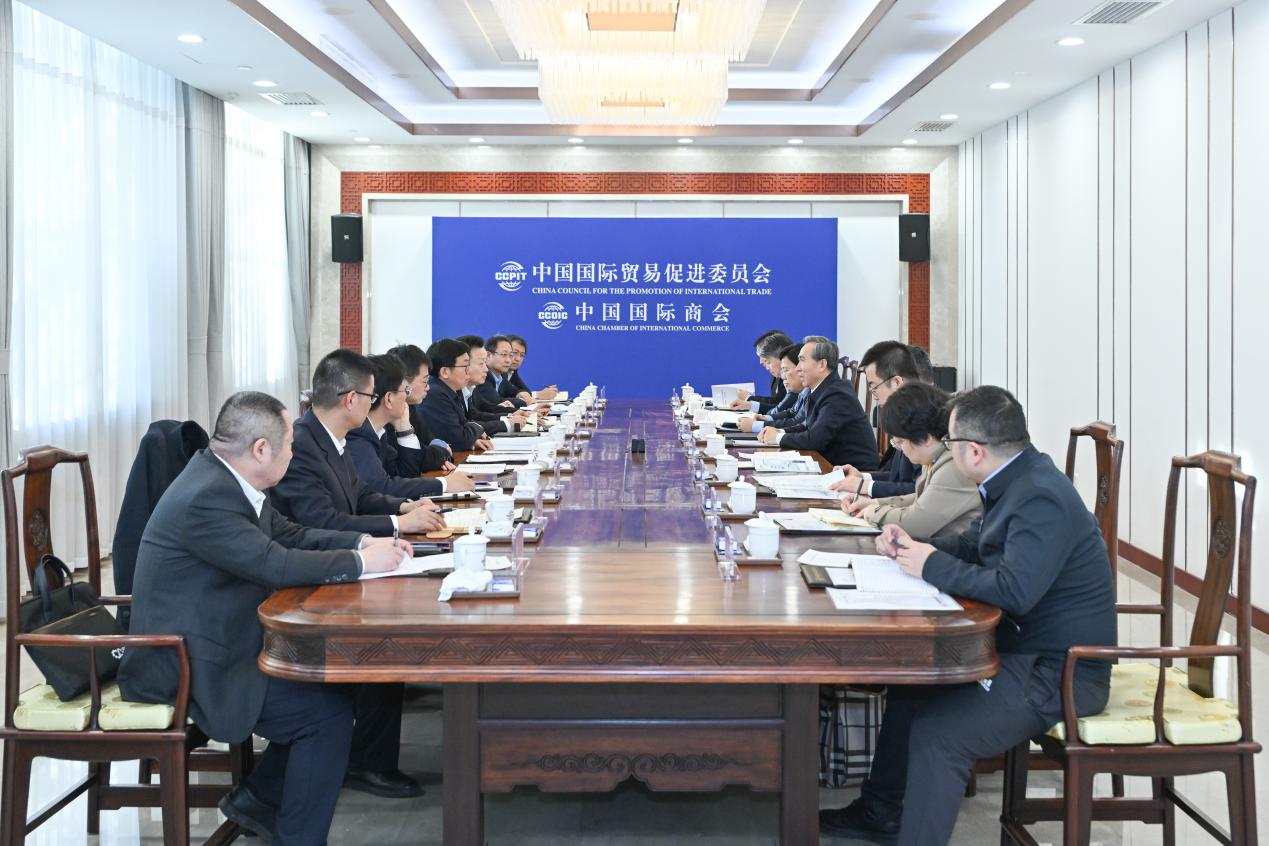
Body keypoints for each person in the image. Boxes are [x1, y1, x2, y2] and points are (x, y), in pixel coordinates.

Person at [820, 386, 1117, 845]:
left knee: (940, 736)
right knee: (909, 687)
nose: (946, 448)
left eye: (950, 441)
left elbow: (1015, 591)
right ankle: (879, 813)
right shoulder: (1015, 478)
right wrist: (915, 547)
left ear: (974, 450)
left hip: (1060, 672)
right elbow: (975, 545)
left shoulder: (1040, 495)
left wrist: (930, 565)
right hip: (1023, 650)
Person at [118, 392, 415, 844]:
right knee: (324, 718)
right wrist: (360, 564)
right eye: (290, 444)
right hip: (186, 660)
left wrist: (361, 544)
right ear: (261, 449)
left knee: (339, 685)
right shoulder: (206, 497)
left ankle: (259, 797)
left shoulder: (223, 477)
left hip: (220, 637)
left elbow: (288, 534)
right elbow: (273, 563)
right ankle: (294, 832)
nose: (294, 453)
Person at [271, 348, 446, 537]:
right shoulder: (300, 446)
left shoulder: (332, 435)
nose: (372, 404)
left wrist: (404, 506)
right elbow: (325, 523)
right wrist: (399, 523)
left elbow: (360, 495)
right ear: (351, 399)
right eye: (371, 397)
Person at [844, 382, 979, 540]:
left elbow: (916, 524)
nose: (901, 449)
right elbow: (921, 499)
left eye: (900, 442)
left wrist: (874, 512)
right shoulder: (935, 455)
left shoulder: (953, 464)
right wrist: (874, 503)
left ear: (926, 438)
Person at [346, 353, 474, 498]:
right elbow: (381, 488)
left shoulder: (378, 432)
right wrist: (444, 484)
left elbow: (406, 477)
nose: (407, 396)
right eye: (406, 390)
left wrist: (405, 431)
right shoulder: (357, 434)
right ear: (389, 399)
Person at [756, 335, 878, 469]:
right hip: (832, 466)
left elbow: (815, 439)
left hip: (855, 473)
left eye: (802, 360)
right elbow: (806, 426)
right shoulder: (822, 389)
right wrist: (779, 431)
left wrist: (777, 438)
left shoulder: (837, 394)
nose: (798, 368)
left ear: (821, 365)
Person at [831, 340, 925, 501]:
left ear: (896, 383)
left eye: (874, 387)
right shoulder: (904, 414)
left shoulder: (923, 420)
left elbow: (918, 490)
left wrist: (864, 486)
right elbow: (896, 476)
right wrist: (862, 477)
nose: (873, 396)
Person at [384, 343, 455, 473]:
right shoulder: (387, 416)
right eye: (425, 381)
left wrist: (437, 453)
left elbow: (430, 441)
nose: (428, 387)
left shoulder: (410, 407)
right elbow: (418, 456)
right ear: (404, 381)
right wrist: (440, 455)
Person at [417, 338, 496, 452]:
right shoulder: (435, 394)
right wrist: (477, 428)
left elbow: (464, 427)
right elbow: (459, 440)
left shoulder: (451, 390)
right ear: (445, 372)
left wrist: (471, 438)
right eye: (465, 366)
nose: (468, 371)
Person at [458, 336, 532, 431]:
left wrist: (511, 415)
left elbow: (477, 413)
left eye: (510, 355)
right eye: (481, 363)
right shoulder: (446, 393)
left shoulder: (471, 387)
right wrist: (507, 424)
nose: (486, 369)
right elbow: (463, 427)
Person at [736, 343, 808, 433]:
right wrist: (766, 418)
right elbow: (792, 412)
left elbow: (798, 423)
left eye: (786, 370)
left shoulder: (814, 393)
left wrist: (758, 426)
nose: (783, 376)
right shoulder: (803, 391)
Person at [730, 330, 793, 413]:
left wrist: (750, 401)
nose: (761, 361)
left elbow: (784, 409)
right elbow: (779, 405)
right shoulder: (777, 375)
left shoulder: (794, 377)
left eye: (767, 359)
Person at [483, 334, 535, 407]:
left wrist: (520, 393)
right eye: (504, 354)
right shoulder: (483, 374)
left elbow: (514, 390)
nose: (508, 360)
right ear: (488, 355)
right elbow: (495, 402)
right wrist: (522, 401)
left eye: (510, 355)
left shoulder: (503, 375)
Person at [507, 334, 557, 400]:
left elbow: (524, 391)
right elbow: (500, 398)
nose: (518, 359)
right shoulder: (497, 371)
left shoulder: (513, 372)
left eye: (522, 355)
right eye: (515, 352)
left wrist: (539, 394)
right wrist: (538, 395)